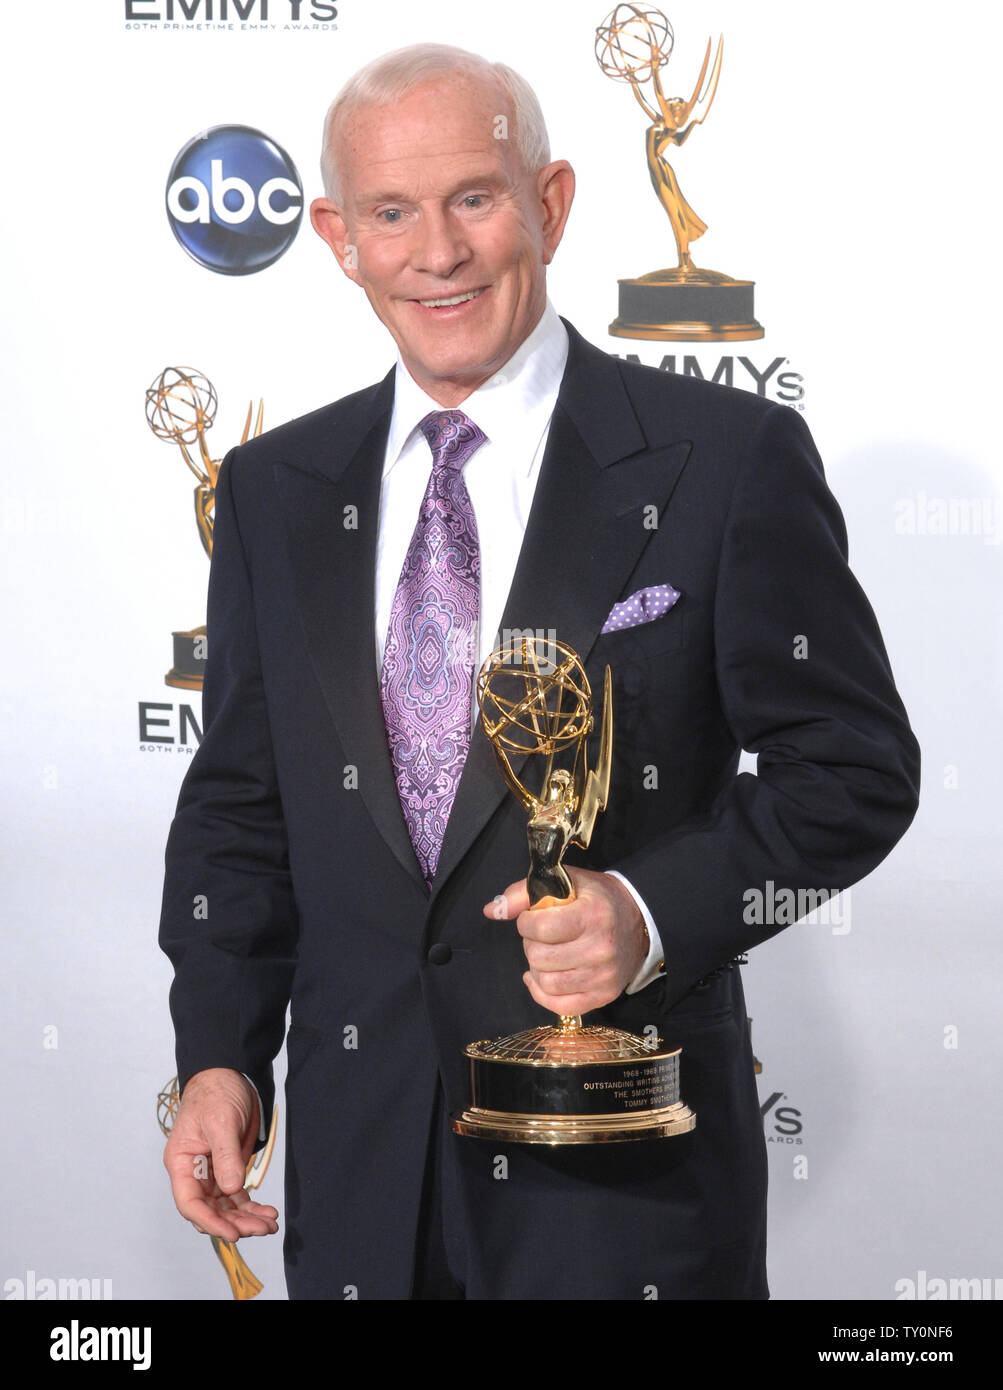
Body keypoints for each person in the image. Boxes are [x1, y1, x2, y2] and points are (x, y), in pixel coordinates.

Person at [160, 42, 920, 1300]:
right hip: (356, 1182)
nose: (437, 253)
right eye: (392, 214)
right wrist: (220, 1056)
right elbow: (242, 807)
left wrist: (649, 910)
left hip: (618, 1185)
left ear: (550, 203)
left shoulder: (725, 460)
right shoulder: (272, 492)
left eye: (473, 197)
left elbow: (851, 771)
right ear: (339, 238)